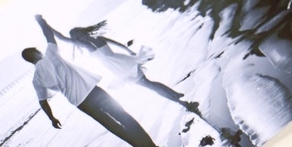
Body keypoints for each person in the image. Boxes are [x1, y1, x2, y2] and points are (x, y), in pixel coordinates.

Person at [22, 15, 164, 147]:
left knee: (111, 125)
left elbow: (43, 102)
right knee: (122, 115)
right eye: (38, 51)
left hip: (80, 102)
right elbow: (49, 35)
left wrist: (52, 118)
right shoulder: (50, 55)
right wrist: (41, 21)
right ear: (35, 53)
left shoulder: (36, 80)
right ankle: (150, 146)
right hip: (92, 91)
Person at [40, 17, 201, 113]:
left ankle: (182, 101)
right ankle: (180, 99)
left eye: (75, 38)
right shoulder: (98, 38)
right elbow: (118, 44)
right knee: (149, 84)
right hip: (122, 62)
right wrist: (130, 52)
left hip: (120, 68)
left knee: (149, 85)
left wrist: (44, 24)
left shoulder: (87, 45)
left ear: (78, 37)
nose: (76, 41)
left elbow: (61, 38)